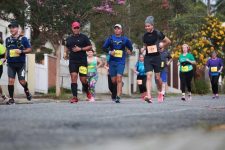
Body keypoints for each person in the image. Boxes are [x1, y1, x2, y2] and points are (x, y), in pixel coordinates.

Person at [141, 16, 171, 103]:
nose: (147, 27)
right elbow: (145, 45)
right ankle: (149, 96)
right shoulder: (145, 36)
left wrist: (162, 45)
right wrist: (143, 49)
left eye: (148, 26)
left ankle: (161, 92)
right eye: (146, 26)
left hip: (156, 57)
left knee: (158, 78)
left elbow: (168, 41)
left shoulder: (158, 33)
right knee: (149, 76)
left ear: (152, 25)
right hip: (148, 58)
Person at [103, 24, 133, 103]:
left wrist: (129, 51)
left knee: (119, 78)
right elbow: (104, 47)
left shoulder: (125, 39)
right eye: (115, 29)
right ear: (114, 30)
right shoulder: (110, 38)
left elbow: (130, 47)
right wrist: (110, 52)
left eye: (118, 29)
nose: (117, 30)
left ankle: (118, 97)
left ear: (121, 30)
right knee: (113, 81)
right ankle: (120, 84)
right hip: (112, 62)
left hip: (121, 61)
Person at [64, 21, 92, 103]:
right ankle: (75, 97)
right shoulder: (69, 38)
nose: (76, 29)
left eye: (77, 27)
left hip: (82, 61)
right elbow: (66, 47)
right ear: (72, 28)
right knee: (73, 77)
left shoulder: (84, 37)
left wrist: (81, 49)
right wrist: (65, 54)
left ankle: (87, 92)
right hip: (73, 61)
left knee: (83, 80)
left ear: (79, 28)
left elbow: (90, 46)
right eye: (74, 28)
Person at [5, 21, 32, 105]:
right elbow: (7, 50)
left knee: (22, 81)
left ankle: (26, 90)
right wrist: (4, 58)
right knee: (10, 80)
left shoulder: (23, 39)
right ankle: (11, 99)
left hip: (21, 64)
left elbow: (29, 49)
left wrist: (21, 51)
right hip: (10, 64)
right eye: (10, 28)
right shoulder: (7, 39)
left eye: (13, 27)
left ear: (17, 28)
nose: (11, 29)